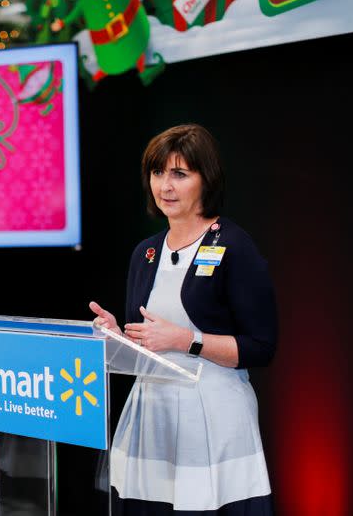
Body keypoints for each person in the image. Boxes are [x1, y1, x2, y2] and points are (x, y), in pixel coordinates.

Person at [90, 124, 277, 514]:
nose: (165, 187)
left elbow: (261, 347)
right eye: (158, 173)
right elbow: (146, 343)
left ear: (206, 180)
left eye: (180, 174)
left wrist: (187, 339)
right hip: (152, 420)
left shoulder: (233, 246)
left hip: (213, 419)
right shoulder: (146, 253)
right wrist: (115, 336)